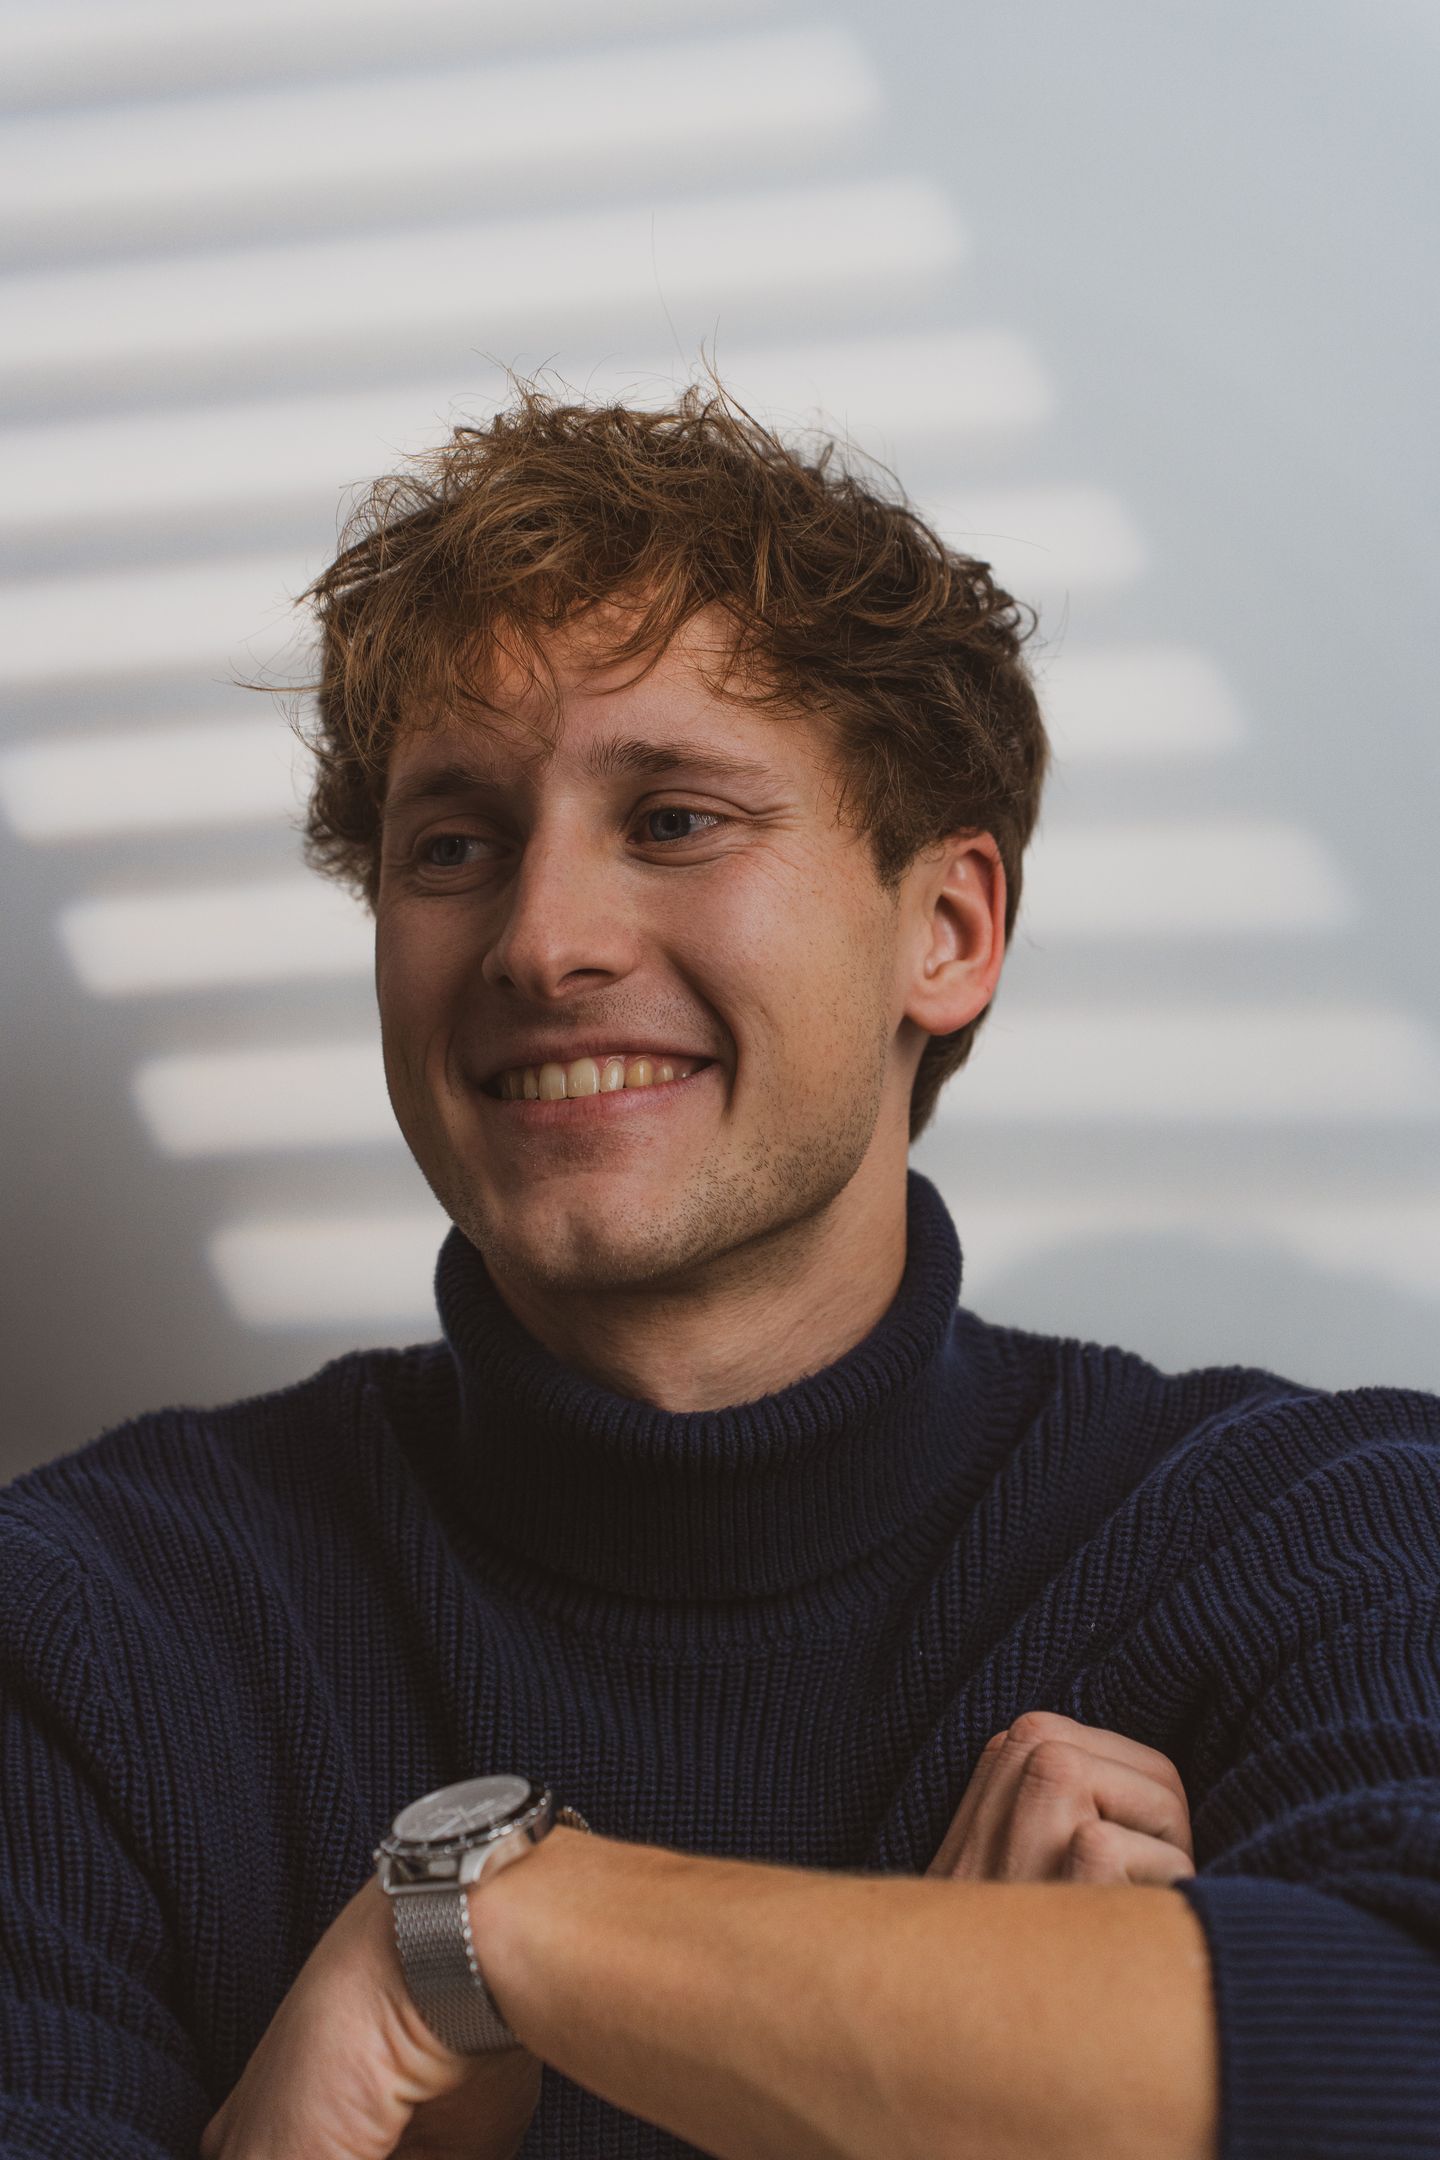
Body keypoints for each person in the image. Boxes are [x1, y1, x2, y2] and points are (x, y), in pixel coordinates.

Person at [2, 386, 1437, 2160]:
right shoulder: (79, 1634)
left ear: (948, 930)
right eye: (453, 846)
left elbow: (1398, 2056)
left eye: (676, 818)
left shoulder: (1324, 1541)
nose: (542, 943)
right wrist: (980, 2055)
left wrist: (479, 1935)